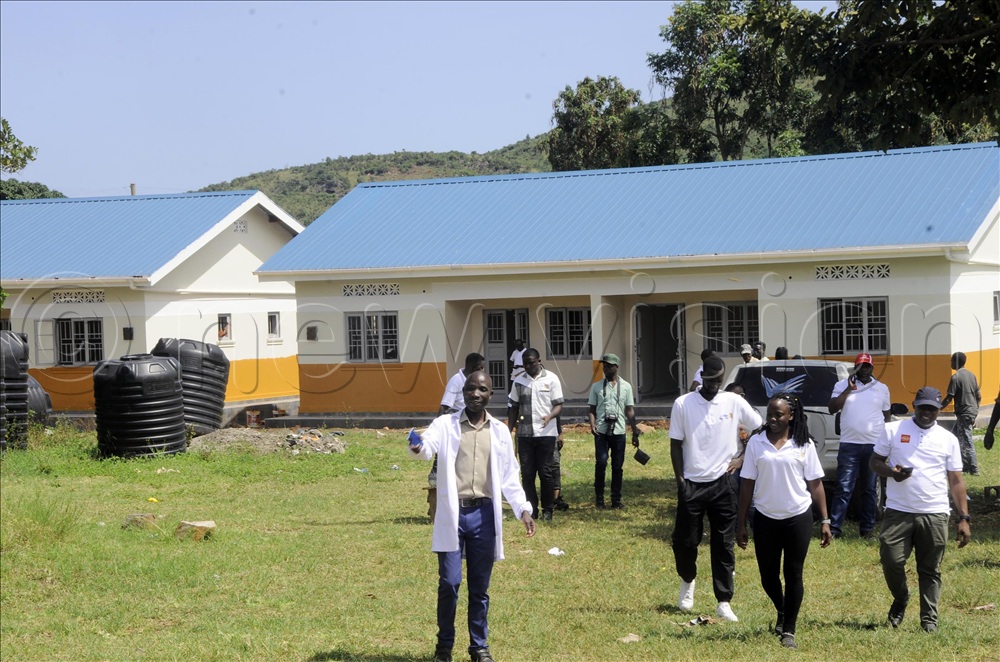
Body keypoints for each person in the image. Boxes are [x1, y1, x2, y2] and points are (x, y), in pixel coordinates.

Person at [409, 371, 536, 662]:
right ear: (463, 392)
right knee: (450, 583)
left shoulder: (500, 432)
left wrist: (523, 509)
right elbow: (426, 446)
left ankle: (479, 647)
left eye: (482, 389)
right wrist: (417, 446)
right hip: (454, 515)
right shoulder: (446, 424)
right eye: (470, 388)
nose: (475, 393)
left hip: (483, 516)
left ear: (491, 395)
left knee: (480, 587)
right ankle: (444, 647)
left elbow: (509, 477)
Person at [869, 386, 971, 633]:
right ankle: (901, 597)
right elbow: (875, 462)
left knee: (930, 569)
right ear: (914, 405)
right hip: (898, 511)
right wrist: (891, 472)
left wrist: (964, 517)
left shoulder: (948, 439)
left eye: (932, 409)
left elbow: (956, 481)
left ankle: (929, 620)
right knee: (891, 560)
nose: (927, 413)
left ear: (939, 410)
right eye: (923, 407)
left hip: (934, 512)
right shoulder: (893, 429)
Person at [670, 355, 763, 622]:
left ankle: (724, 600)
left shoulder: (733, 401)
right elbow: (676, 444)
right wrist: (680, 482)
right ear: (702, 378)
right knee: (685, 542)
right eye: (710, 381)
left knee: (724, 544)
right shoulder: (683, 404)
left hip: (723, 484)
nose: (714, 385)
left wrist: (742, 457)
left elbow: (759, 427)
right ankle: (688, 583)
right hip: (692, 483)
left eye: (719, 381)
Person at [737, 393, 832, 650]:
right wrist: (741, 521)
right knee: (768, 576)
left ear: (791, 416)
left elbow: (815, 484)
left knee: (793, 574)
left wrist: (825, 519)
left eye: (778, 415)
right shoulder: (756, 442)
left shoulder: (803, 444)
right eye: (770, 414)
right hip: (765, 518)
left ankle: (789, 628)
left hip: (797, 518)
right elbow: (747, 484)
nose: (772, 419)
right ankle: (782, 610)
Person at [827, 352, 891, 539]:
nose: (864, 369)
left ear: (872, 368)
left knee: (869, 489)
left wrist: (885, 444)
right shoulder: (841, 385)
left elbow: (886, 417)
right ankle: (835, 530)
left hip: (873, 446)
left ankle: (867, 530)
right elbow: (832, 408)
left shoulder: (882, 388)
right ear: (855, 368)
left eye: (867, 366)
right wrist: (848, 389)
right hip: (849, 445)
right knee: (844, 488)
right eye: (860, 366)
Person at [508, 348, 563, 522]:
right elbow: (514, 408)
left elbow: (558, 405)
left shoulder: (552, 378)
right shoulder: (518, 381)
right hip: (525, 436)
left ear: (539, 361)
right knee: (527, 474)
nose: (528, 366)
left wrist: (550, 416)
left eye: (531, 363)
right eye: (525, 364)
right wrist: (508, 431)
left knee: (546, 473)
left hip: (546, 434)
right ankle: (532, 510)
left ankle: (548, 510)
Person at [588, 353, 641, 509]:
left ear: (617, 367)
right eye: (604, 366)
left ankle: (616, 500)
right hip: (601, 432)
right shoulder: (597, 386)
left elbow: (629, 410)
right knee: (601, 463)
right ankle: (599, 499)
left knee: (617, 466)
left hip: (618, 431)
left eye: (609, 366)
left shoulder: (626, 387)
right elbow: (591, 409)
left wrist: (634, 429)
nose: (606, 368)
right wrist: (592, 424)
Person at [940, 352, 982, 475]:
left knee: (966, 440)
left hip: (964, 413)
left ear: (956, 362)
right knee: (954, 438)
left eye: (951, 361)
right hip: (970, 411)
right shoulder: (971, 375)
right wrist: (975, 410)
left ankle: (974, 468)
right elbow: (979, 396)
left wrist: (938, 408)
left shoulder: (955, 378)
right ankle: (962, 465)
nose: (950, 363)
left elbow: (949, 397)